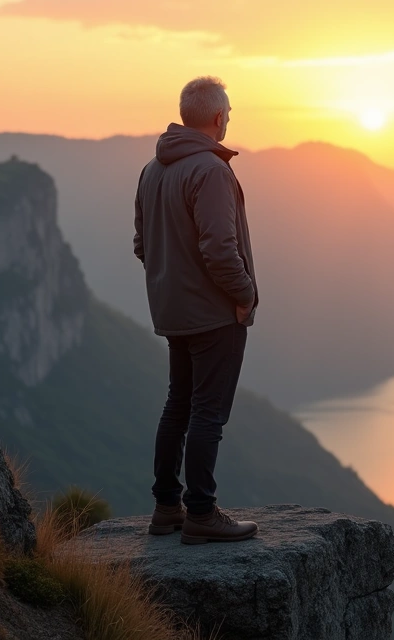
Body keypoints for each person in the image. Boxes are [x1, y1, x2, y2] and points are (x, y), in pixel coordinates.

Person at [134, 76, 259, 545]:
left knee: (178, 406)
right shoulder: (210, 170)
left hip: (173, 312)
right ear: (218, 117)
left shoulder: (152, 169)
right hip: (213, 314)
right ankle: (202, 513)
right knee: (209, 413)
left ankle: (167, 507)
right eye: (229, 112)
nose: (229, 119)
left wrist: (172, 285)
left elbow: (142, 244)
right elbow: (220, 249)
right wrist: (243, 295)